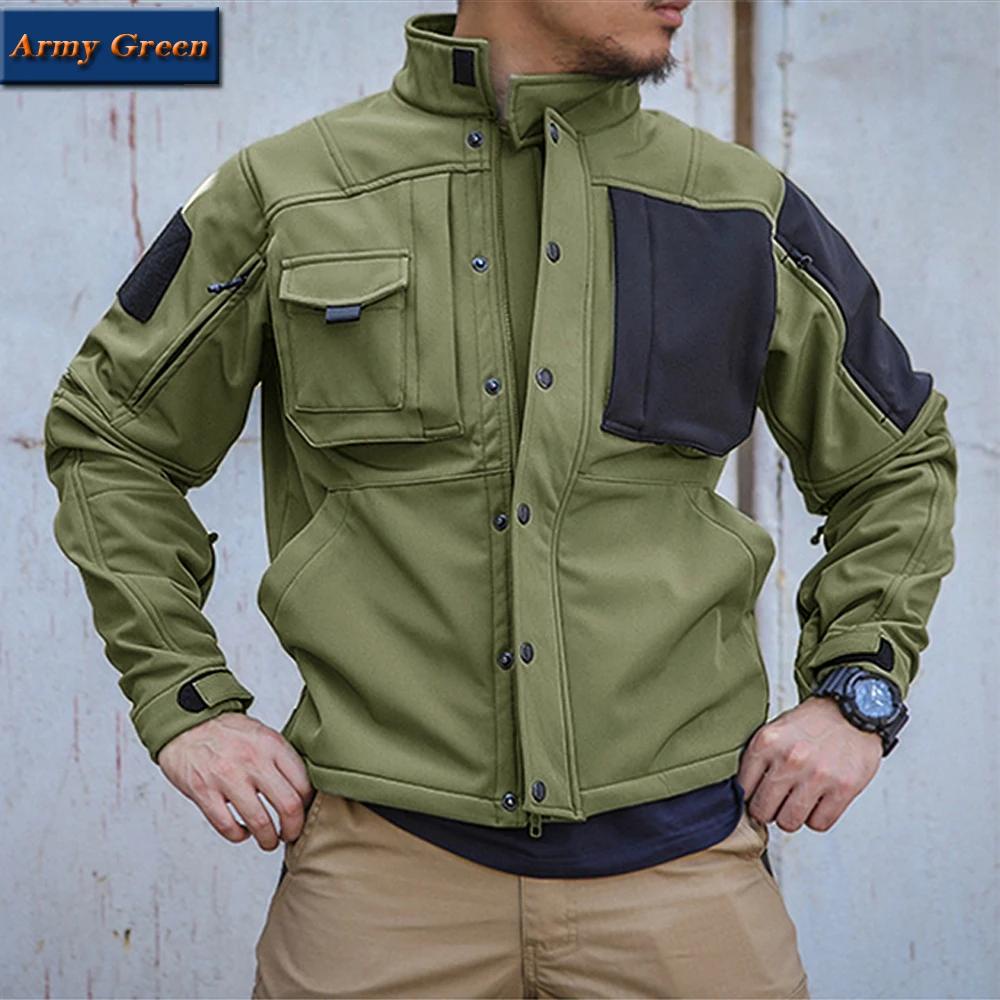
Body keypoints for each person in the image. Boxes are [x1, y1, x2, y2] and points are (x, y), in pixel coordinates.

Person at [43, 0, 958, 997]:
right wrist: (184, 702)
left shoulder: (739, 207)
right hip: (379, 880)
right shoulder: (291, 194)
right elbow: (111, 439)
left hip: (687, 876)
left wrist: (856, 690)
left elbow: (898, 460)